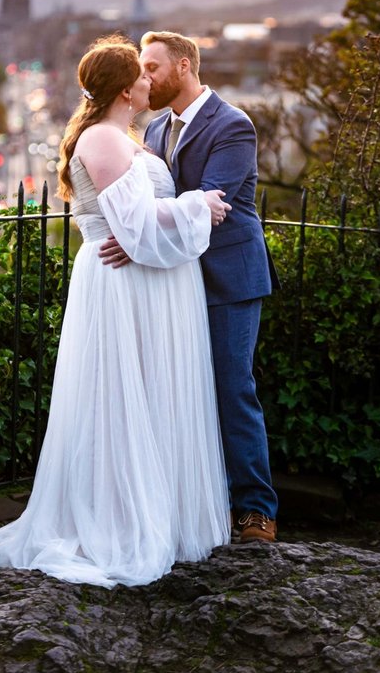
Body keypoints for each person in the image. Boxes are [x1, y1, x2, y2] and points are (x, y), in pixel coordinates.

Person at [0, 36, 231, 588]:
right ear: (127, 89)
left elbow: (139, 220)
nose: (151, 80)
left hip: (146, 283)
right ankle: (119, 520)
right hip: (121, 284)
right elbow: (133, 223)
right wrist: (197, 204)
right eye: (143, 74)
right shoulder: (103, 138)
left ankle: (158, 510)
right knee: (118, 399)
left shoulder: (124, 135)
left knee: (148, 394)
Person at [100, 31, 279, 542]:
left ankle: (256, 509)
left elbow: (211, 202)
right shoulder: (155, 128)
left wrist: (139, 237)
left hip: (229, 279)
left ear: (183, 66)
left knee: (232, 387)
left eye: (152, 67)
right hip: (174, 281)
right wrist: (135, 235)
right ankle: (196, 504)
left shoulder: (233, 125)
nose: (145, 77)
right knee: (183, 389)